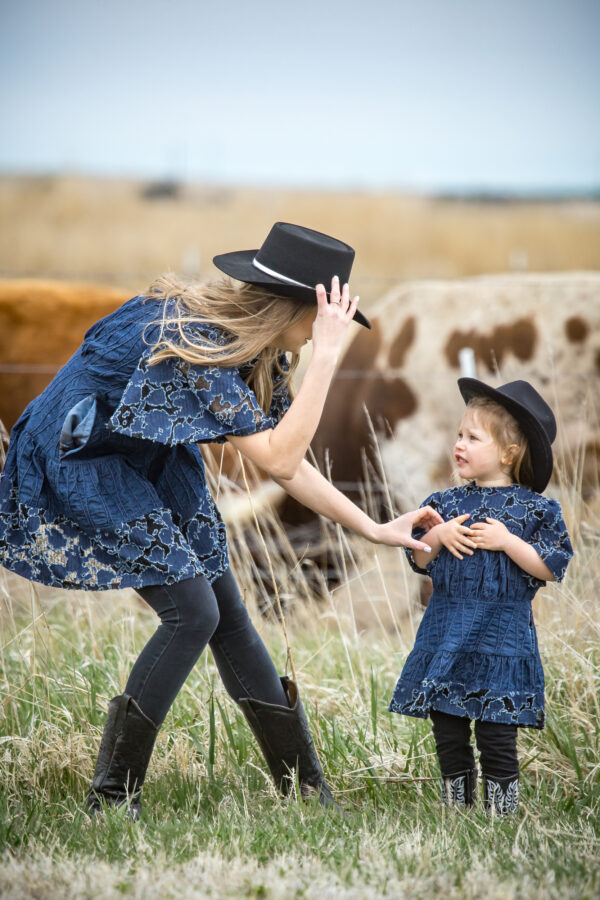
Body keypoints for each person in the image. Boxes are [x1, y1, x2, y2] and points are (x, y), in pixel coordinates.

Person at [0, 222, 441, 819]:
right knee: (193, 613)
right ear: (294, 307)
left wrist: (375, 527)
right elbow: (281, 456)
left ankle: (308, 792)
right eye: (320, 322)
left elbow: (288, 465)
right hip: (83, 454)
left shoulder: (263, 353)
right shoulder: (197, 342)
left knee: (226, 612)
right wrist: (331, 357)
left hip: (148, 455)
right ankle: (110, 798)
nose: (317, 338)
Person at [388, 378, 573, 815]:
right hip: (447, 628)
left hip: (502, 636)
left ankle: (500, 811)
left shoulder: (536, 510)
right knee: (448, 725)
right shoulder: (443, 503)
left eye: (473, 438)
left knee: (496, 729)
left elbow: (552, 565)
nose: (460, 444)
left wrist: (509, 543)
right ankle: (458, 805)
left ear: (508, 454)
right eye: (458, 435)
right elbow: (418, 558)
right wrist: (438, 533)